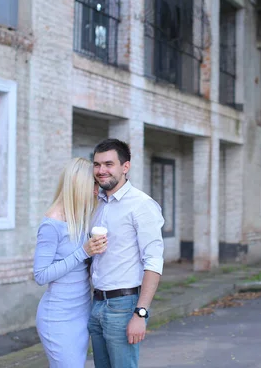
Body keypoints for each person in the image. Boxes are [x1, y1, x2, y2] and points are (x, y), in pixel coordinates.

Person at [88, 138, 165, 368]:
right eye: (97, 164)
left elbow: (153, 261)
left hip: (123, 306)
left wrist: (140, 314)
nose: (101, 171)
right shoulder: (97, 203)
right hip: (97, 303)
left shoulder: (141, 205)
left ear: (125, 166)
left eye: (108, 164)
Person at [33, 157, 108, 368]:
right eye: (93, 184)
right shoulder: (51, 224)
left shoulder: (81, 218)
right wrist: (83, 252)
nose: (97, 190)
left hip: (81, 311)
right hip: (58, 317)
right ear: (79, 185)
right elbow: (40, 275)